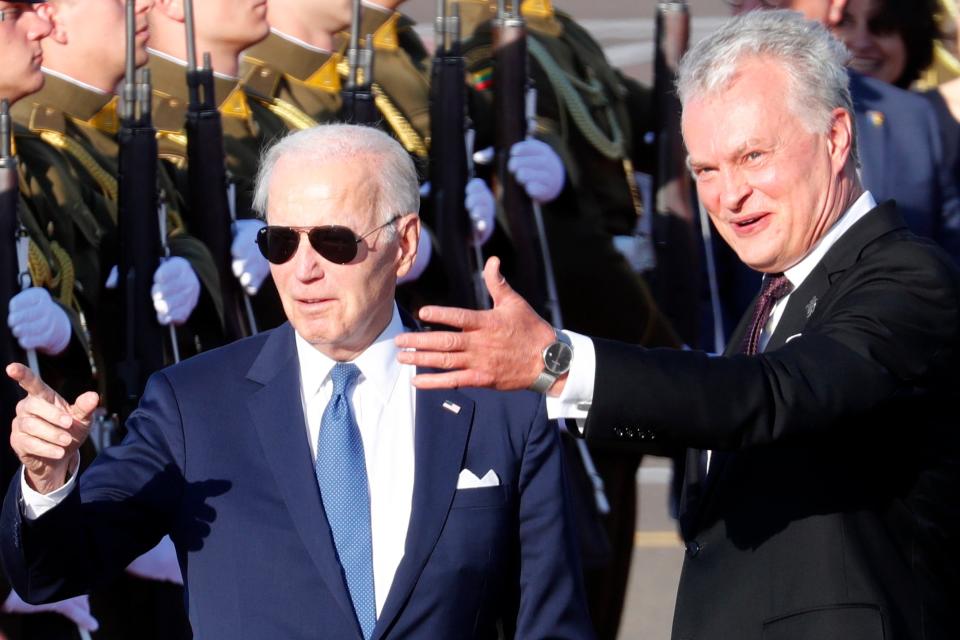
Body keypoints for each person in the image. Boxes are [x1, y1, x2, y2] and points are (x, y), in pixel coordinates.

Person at [395, 11, 960, 640]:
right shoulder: (775, 298)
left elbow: (772, 396)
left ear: (834, 138)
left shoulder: (908, 280)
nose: (729, 195)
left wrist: (556, 363)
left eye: (752, 156)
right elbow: (700, 411)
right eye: (706, 170)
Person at [0, 123, 594, 640]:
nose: (304, 270)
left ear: (404, 245)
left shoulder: (500, 406)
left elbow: (551, 622)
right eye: (281, 243)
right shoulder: (196, 405)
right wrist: (47, 480)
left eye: (334, 242)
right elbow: (54, 570)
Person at [717, 0, 960, 316]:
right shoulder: (725, 108)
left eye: (882, 27)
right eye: (846, 21)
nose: (861, 41)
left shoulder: (919, 119)